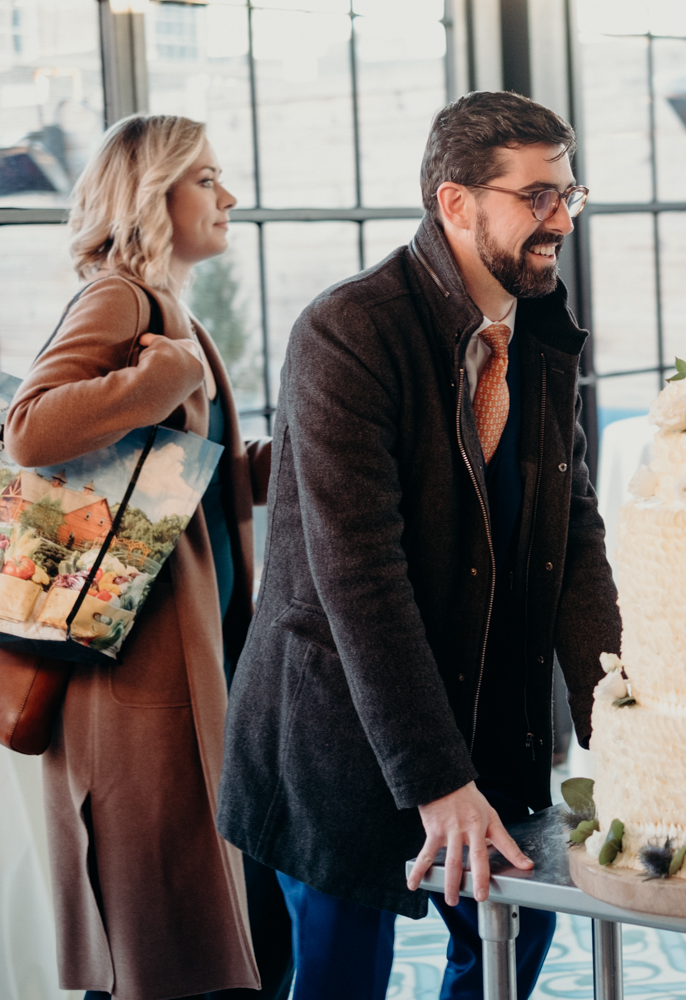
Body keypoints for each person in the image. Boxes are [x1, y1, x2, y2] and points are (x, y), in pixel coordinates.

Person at [216, 90, 621, 1000]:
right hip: (339, 737)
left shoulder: (544, 329)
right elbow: (359, 576)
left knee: (513, 943)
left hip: (490, 722)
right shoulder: (347, 330)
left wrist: (619, 724)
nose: (560, 221)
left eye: (569, 195)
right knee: (341, 978)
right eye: (536, 198)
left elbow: (574, 534)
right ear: (455, 202)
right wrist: (437, 781)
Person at [6, 114, 274, 998]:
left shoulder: (167, 308)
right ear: (152, 193)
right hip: (133, 679)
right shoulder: (120, 299)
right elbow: (31, 430)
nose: (227, 196)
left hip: (185, 659)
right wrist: (167, 376)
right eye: (206, 178)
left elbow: (185, 481)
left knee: (187, 939)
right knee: (151, 946)